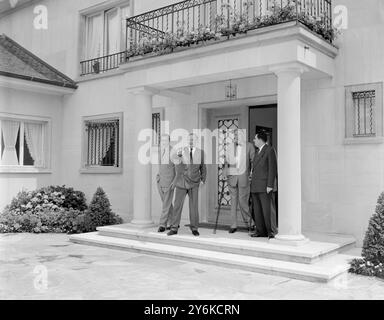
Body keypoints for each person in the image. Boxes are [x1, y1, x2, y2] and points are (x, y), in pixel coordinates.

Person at [168, 133, 207, 237]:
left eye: (193, 140)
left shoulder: (201, 152)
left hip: (194, 182)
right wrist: (179, 156)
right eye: (189, 140)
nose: (191, 141)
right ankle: (174, 228)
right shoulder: (181, 150)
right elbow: (175, 162)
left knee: (194, 207)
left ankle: (194, 228)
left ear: (196, 141)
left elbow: (203, 167)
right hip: (181, 181)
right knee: (177, 206)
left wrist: (203, 179)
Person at [223, 129, 255, 234]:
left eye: (237, 135)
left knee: (243, 202)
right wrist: (225, 173)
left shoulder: (249, 146)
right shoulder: (230, 146)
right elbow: (226, 162)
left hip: (244, 178)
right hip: (232, 178)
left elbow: (253, 162)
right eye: (234, 135)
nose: (235, 137)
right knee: (233, 203)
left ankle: (250, 223)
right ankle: (233, 225)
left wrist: (251, 174)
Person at [250, 132, 277, 239]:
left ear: (261, 139)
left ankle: (271, 232)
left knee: (268, 210)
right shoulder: (257, 152)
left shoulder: (270, 150)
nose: (253, 140)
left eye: (255, 138)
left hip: (266, 186)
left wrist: (270, 185)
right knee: (258, 210)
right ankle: (260, 231)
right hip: (256, 185)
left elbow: (272, 168)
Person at [156, 134, 176, 233]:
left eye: (165, 140)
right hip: (160, 180)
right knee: (167, 203)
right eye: (162, 140)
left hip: (169, 182)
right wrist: (158, 176)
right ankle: (173, 222)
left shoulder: (173, 152)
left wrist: (174, 182)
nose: (163, 142)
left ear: (169, 141)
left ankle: (162, 224)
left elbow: (178, 168)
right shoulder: (160, 151)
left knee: (166, 204)